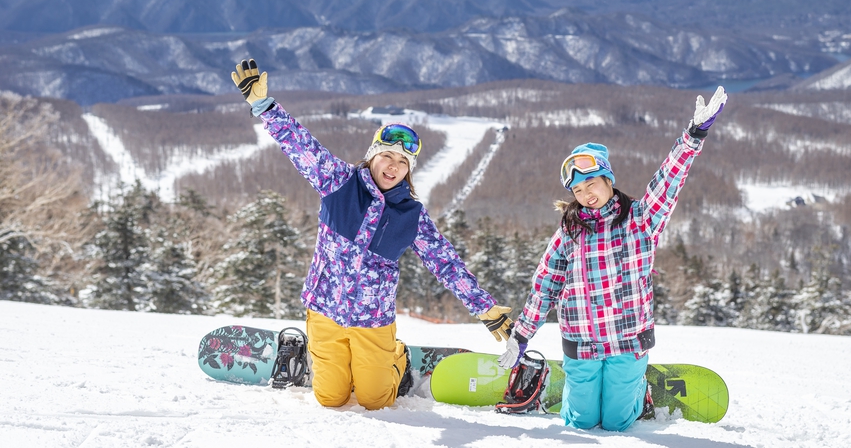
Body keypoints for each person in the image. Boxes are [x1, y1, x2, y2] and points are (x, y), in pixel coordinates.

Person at [230, 58, 513, 410]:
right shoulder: (339, 181)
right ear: (372, 156)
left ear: (409, 170)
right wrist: (264, 106)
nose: (393, 166)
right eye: (387, 155)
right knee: (330, 398)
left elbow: (447, 264)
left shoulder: (411, 215)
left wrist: (483, 307)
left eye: (402, 162)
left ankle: (399, 359)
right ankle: (314, 357)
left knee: (375, 400)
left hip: (372, 319)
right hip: (325, 309)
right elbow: (300, 145)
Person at [497, 86, 727, 431]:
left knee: (618, 422)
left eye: (591, 184)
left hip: (627, 339)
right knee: (582, 422)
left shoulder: (641, 219)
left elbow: (668, 181)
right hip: (581, 341)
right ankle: (561, 384)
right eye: (577, 190)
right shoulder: (569, 231)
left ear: (608, 180)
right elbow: (544, 287)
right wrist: (522, 335)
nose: (586, 194)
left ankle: (640, 392)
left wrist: (693, 136)